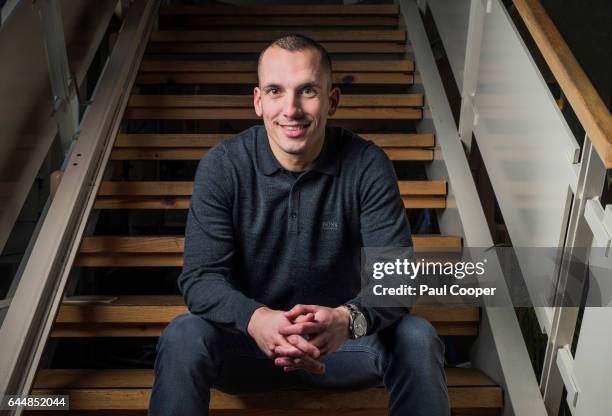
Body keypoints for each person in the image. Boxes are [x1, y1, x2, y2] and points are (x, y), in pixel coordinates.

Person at [149, 34, 450, 416]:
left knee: (416, 337)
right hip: (248, 346)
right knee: (183, 334)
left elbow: (395, 280)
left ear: (332, 100)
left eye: (307, 90)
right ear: (259, 101)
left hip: (341, 346)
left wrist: (346, 319)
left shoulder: (368, 165)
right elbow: (200, 278)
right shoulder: (223, 166)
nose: (291, 109)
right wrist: (255, 319)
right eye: (275, 91)